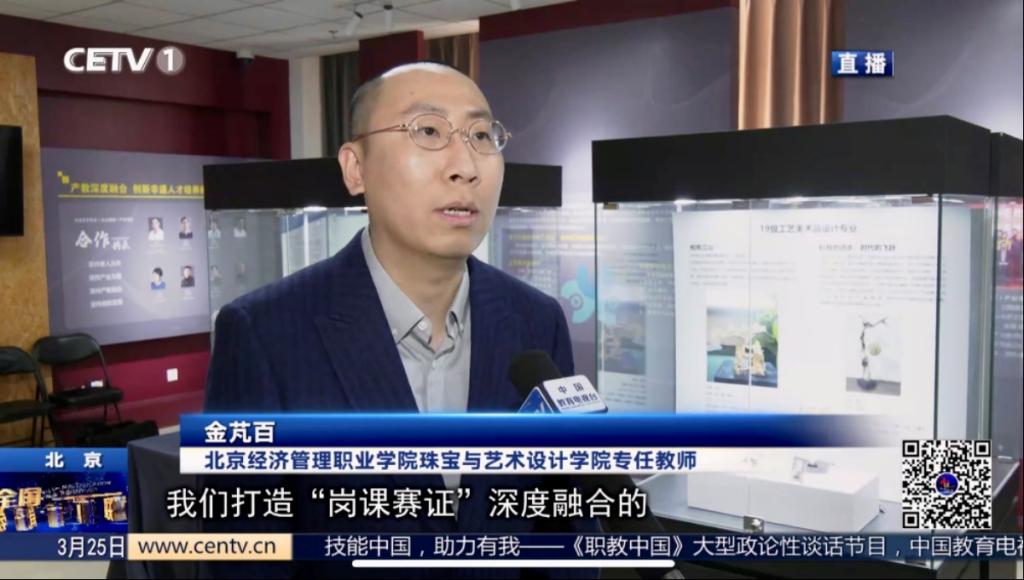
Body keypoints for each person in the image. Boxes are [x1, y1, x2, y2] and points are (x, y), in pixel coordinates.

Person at [203, 62, 596, 578]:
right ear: (355, 169)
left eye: (481, 135)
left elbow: (564, 533)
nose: (465, 167)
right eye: (428, 131)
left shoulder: (536, 322)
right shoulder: (263, 334)